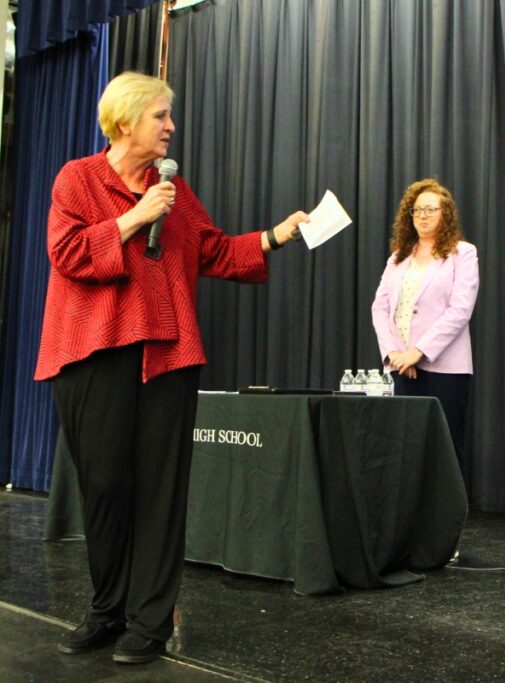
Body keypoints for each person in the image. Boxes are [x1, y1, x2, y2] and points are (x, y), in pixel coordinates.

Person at [35, 72, 309, 664]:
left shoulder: (174, 190)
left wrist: (274, 236)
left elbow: (212, 249)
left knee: (160, 493)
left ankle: (148, 624)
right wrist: (136, 217)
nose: (171, 127)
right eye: (161, 116)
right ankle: (106, 611)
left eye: (169, 117)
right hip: (94, 352)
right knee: (105, 487)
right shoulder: (78, 179)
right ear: (127, 119)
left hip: (167, 354)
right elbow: (67, 254)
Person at [371, 178, 479, 490]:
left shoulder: (463, 253)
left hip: (444, 369)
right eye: (417, 210)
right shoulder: (398, 257)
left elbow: (460, 310)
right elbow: (379, 307)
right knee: (402, 453)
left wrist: (418, 352)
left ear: (446, 214)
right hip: (400, 368)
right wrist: (394, 354)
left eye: (431, 209)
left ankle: (447, 524)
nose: (423, 216)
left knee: (443, 451)